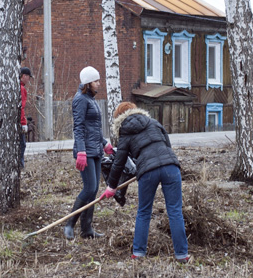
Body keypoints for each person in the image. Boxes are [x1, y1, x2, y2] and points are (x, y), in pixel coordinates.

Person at [103, 102, 189, 262]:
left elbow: (119, 162)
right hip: (171, 166)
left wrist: (111, 186)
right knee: (175, 211)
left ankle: (139, 253)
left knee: (144, 212)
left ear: (119, 118)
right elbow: (167, 145)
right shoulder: (154, 122)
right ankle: (182, 255)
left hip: (148, 171)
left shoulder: (125, 131)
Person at [66, 66, 109, 240]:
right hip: (86, 152)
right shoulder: (80, 99)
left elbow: (95, 128)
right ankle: (69, 224)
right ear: (88, 83)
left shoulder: (91, 100)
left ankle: (87, 229)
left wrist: (105, 144)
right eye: (96, 80)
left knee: (94, 190)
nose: (99, 83)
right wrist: (81, 151)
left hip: (96, 150)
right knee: (89, 188)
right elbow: (79, 127)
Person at [19, 67, 32, 168]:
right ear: (24, 76)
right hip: (19, 122)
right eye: (28, 77)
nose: (29, 80)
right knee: (22, 145)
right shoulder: (22, 89)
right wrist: (24, 123)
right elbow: (21, 108)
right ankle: (20, 165)